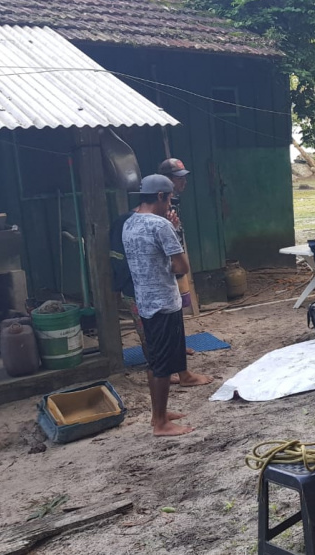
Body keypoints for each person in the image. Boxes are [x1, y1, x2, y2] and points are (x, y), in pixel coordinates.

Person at [123, 175, 203, 436]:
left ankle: (158, 413)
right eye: (169, 199)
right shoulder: (159, 226)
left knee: (155, 360)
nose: (170, 205)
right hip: (164, 302)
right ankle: (161, 423)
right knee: (164, 366)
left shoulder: (130, 223)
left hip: (145, 301)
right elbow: (181, 266)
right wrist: (172, 233)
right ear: (160, 196)